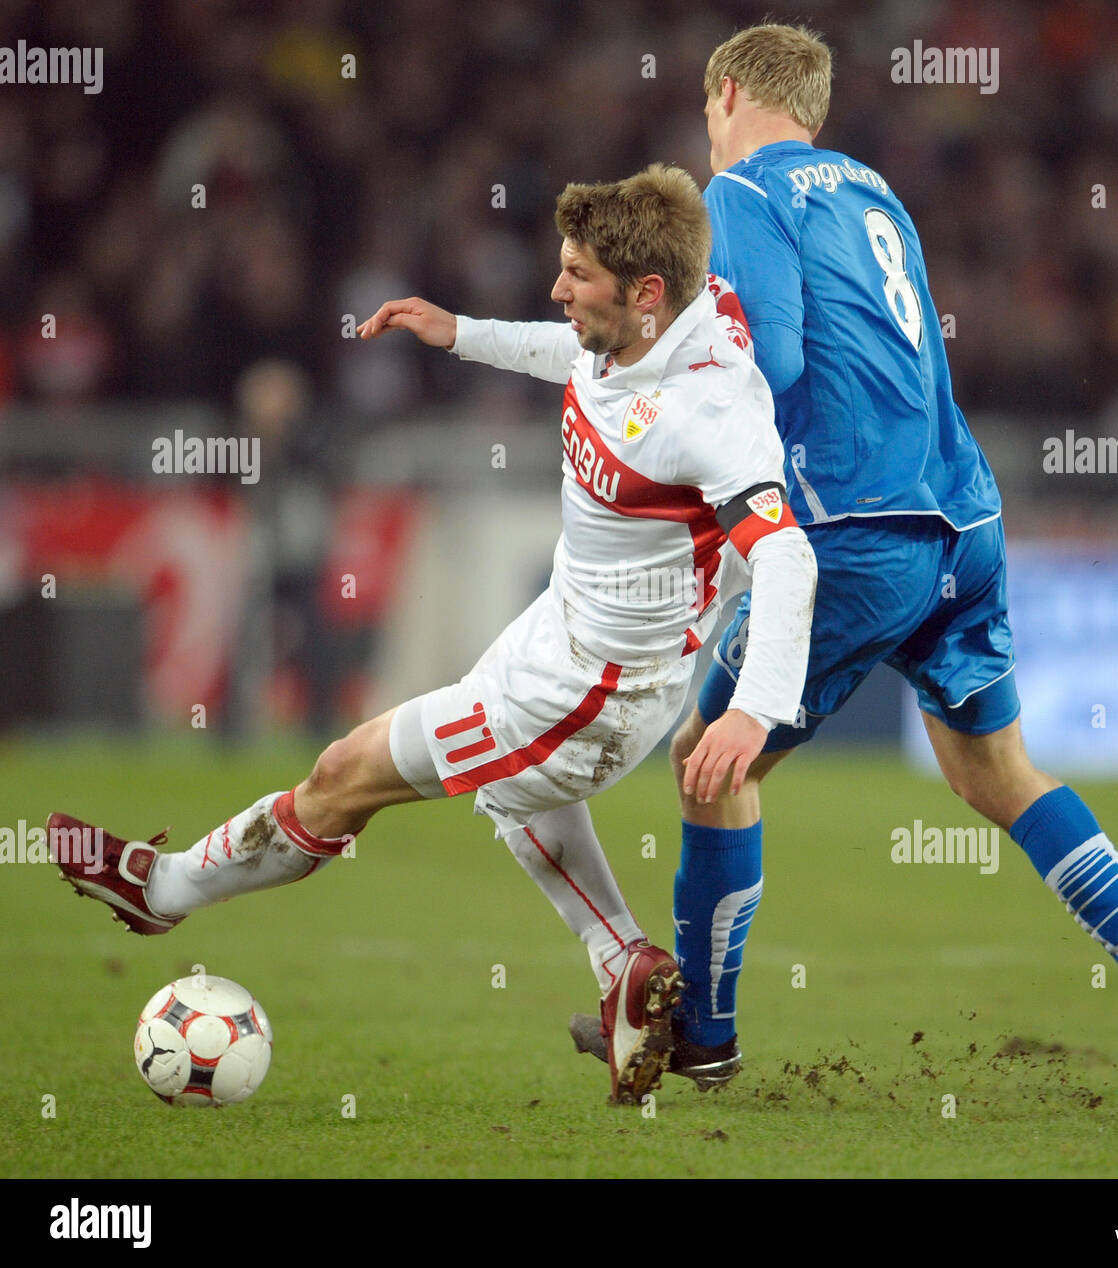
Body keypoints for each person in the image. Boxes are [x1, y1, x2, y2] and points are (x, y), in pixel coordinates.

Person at [570, 25, 1118, 1117]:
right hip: (961, 518)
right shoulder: (878, 193)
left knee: (708, 755)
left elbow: (775, 359)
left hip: (856, 531)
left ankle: (705, 1034)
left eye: (704, 104)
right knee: (996, 773)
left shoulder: (738, 192)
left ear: (728, 91)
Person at [51, 163, 817, 1107]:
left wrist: (755, 711)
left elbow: (788, 558)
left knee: (342, 776)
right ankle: (625, 963)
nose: (557, 291)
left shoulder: (709, 411)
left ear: (648, 294)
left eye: (577, 276)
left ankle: (163, 892)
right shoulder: (646, 328)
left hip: (591, 691)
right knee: (512, 798)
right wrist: (460, 333)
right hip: (560, 635)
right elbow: (573, 352)